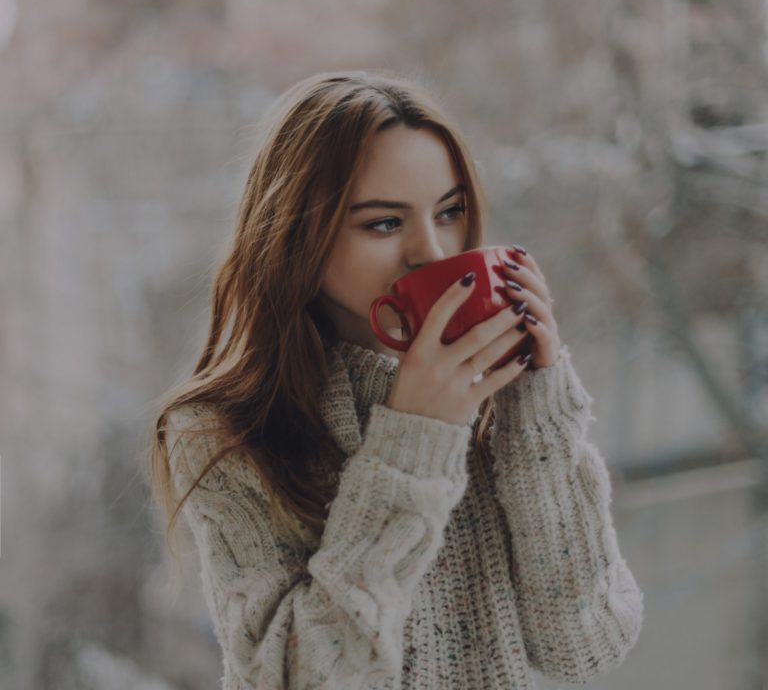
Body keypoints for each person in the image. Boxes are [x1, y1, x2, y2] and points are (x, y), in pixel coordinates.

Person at [146, 70, 644, 689]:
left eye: (450, 211)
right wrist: (412, 443)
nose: (432, 253)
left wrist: (539, 410)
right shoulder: (222, 432)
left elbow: (585, 645)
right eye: (383, 223)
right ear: (299, 237)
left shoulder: (496, 399)